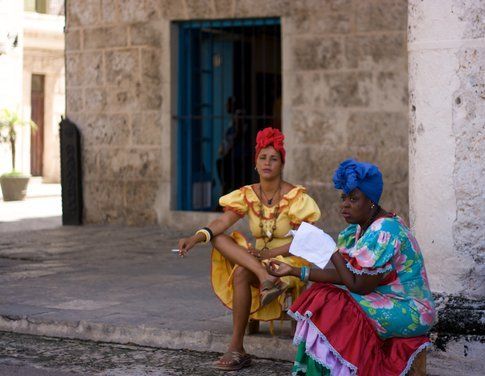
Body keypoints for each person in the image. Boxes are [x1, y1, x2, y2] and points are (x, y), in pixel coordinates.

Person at [268, 159, 436, 375]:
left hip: (412, 310)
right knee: (324, 294)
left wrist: (332, 251)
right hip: (385, 299)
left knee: (330, 303)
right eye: (344, 198)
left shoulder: (384, 230)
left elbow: (358, 286)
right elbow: (349, 276)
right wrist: (293, 271)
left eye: (354, 199)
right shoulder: (363, 228)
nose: (345, 204)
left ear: (371, 202)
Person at [178, 127, 321, 371]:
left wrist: (270, 255)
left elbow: (306, 241)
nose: (267, 162)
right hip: (260, 261)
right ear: (255, 162)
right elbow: (222, 222)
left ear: (281, 164)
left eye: (273, 158)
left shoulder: (296, 197)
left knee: (243, 272)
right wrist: (198, 235)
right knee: (218, 237)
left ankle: (236, 347)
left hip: (289, 260)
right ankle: (239, 344)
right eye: (262, 157)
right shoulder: (247, 194)